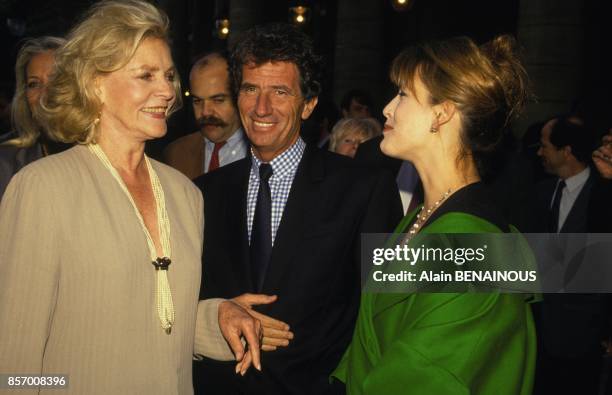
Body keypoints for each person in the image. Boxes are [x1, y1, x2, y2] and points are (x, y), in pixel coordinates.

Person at [0, 1, 266, 394]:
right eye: (146, 75)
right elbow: (15, 364)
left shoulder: (185, 194)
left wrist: (216, 318)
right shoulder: (42, 188)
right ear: (94, 84)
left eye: (169, 75)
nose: (167, 91)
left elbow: (154, 320)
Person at [193, 23, 402, 394]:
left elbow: (388, 309)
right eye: (250, 89)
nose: (261, 107)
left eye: (279, 92)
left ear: (308, 104)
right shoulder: (202, 193)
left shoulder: (362, 189)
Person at [332, 35, 536, 394]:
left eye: (403, 95)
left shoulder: (473, 246)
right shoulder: (421, 217)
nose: (387, 109)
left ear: (442, 112)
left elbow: (423, 379)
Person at [0, 36, 70, 199]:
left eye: (57, 80)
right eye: (34, 84)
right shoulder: (5, 164)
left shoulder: (109, 156)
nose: (45, 95)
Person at [163, 52, 247, 179]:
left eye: (217, 100)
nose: (205, 112)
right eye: (197, 101)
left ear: (239, 97)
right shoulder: (176, 154)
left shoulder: (262, 151)